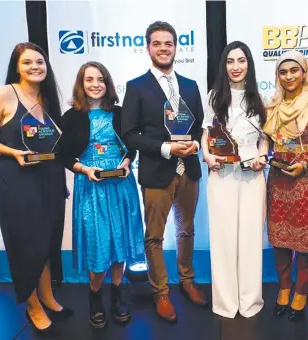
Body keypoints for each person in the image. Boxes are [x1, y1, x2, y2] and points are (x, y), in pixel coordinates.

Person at [0, 42, 71, 337]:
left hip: (49, 177)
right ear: (17, 67)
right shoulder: (3, 94)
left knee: (48, 241)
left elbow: (53, 146)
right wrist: (11, 151)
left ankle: (48, 297)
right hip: (17, 178)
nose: (36, 67)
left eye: (40, 62)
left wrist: (61, 179)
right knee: (27, 244)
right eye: (28, 63)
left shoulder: (49, 99)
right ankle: (33, 305)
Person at [121, 21, 208, 323]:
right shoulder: (136, 87)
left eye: (168, 43)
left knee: (187, 230)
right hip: (157, 170)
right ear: (148, 48)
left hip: (189, 170)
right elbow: (129, 134)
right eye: (157, 43)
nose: (163, 48)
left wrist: (195, 145)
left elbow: (199, 127)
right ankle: (161, 293)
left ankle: (187, 281)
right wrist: (167, 148)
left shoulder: (191, 85)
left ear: (175, 47)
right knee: (154, 237)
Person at [59, 61, 145, 328]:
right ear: (81, 84)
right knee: (99, 244)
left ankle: (118, 295)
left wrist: (127, 162)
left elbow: (132, 144)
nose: (95, 84)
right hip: (91, 185)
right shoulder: (71, 116)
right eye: (89, 80)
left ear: (108, 84)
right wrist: (84, 169)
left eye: (100, 79)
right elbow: (61, 154)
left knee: (120, 246)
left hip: (120, 185)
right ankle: (95, 297)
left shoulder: (120, 113)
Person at [263, 50, 308, 322]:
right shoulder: (273, 105)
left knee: (306, 242)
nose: (289, 76)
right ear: (277, 76)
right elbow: (269, 143)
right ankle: (283, 288)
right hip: (279, 179)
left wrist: (306, 164)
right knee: (280, 239)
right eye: (283, 72)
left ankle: (301, 293)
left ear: (304, 73)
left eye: (295, 70)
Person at [201, 41, 268, 319]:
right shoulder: (214, 96)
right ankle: (226, 302)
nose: (236, 67)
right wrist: (206, 155)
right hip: (222, 175)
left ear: (249, 64)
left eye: (241, 61)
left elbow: (265, 138)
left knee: (251, 239)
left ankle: (250, 301)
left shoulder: (259, 97)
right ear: (224, 66)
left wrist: (262, 158)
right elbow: (206, 133)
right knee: (223, 238)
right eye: (230, 61)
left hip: (252, 176)